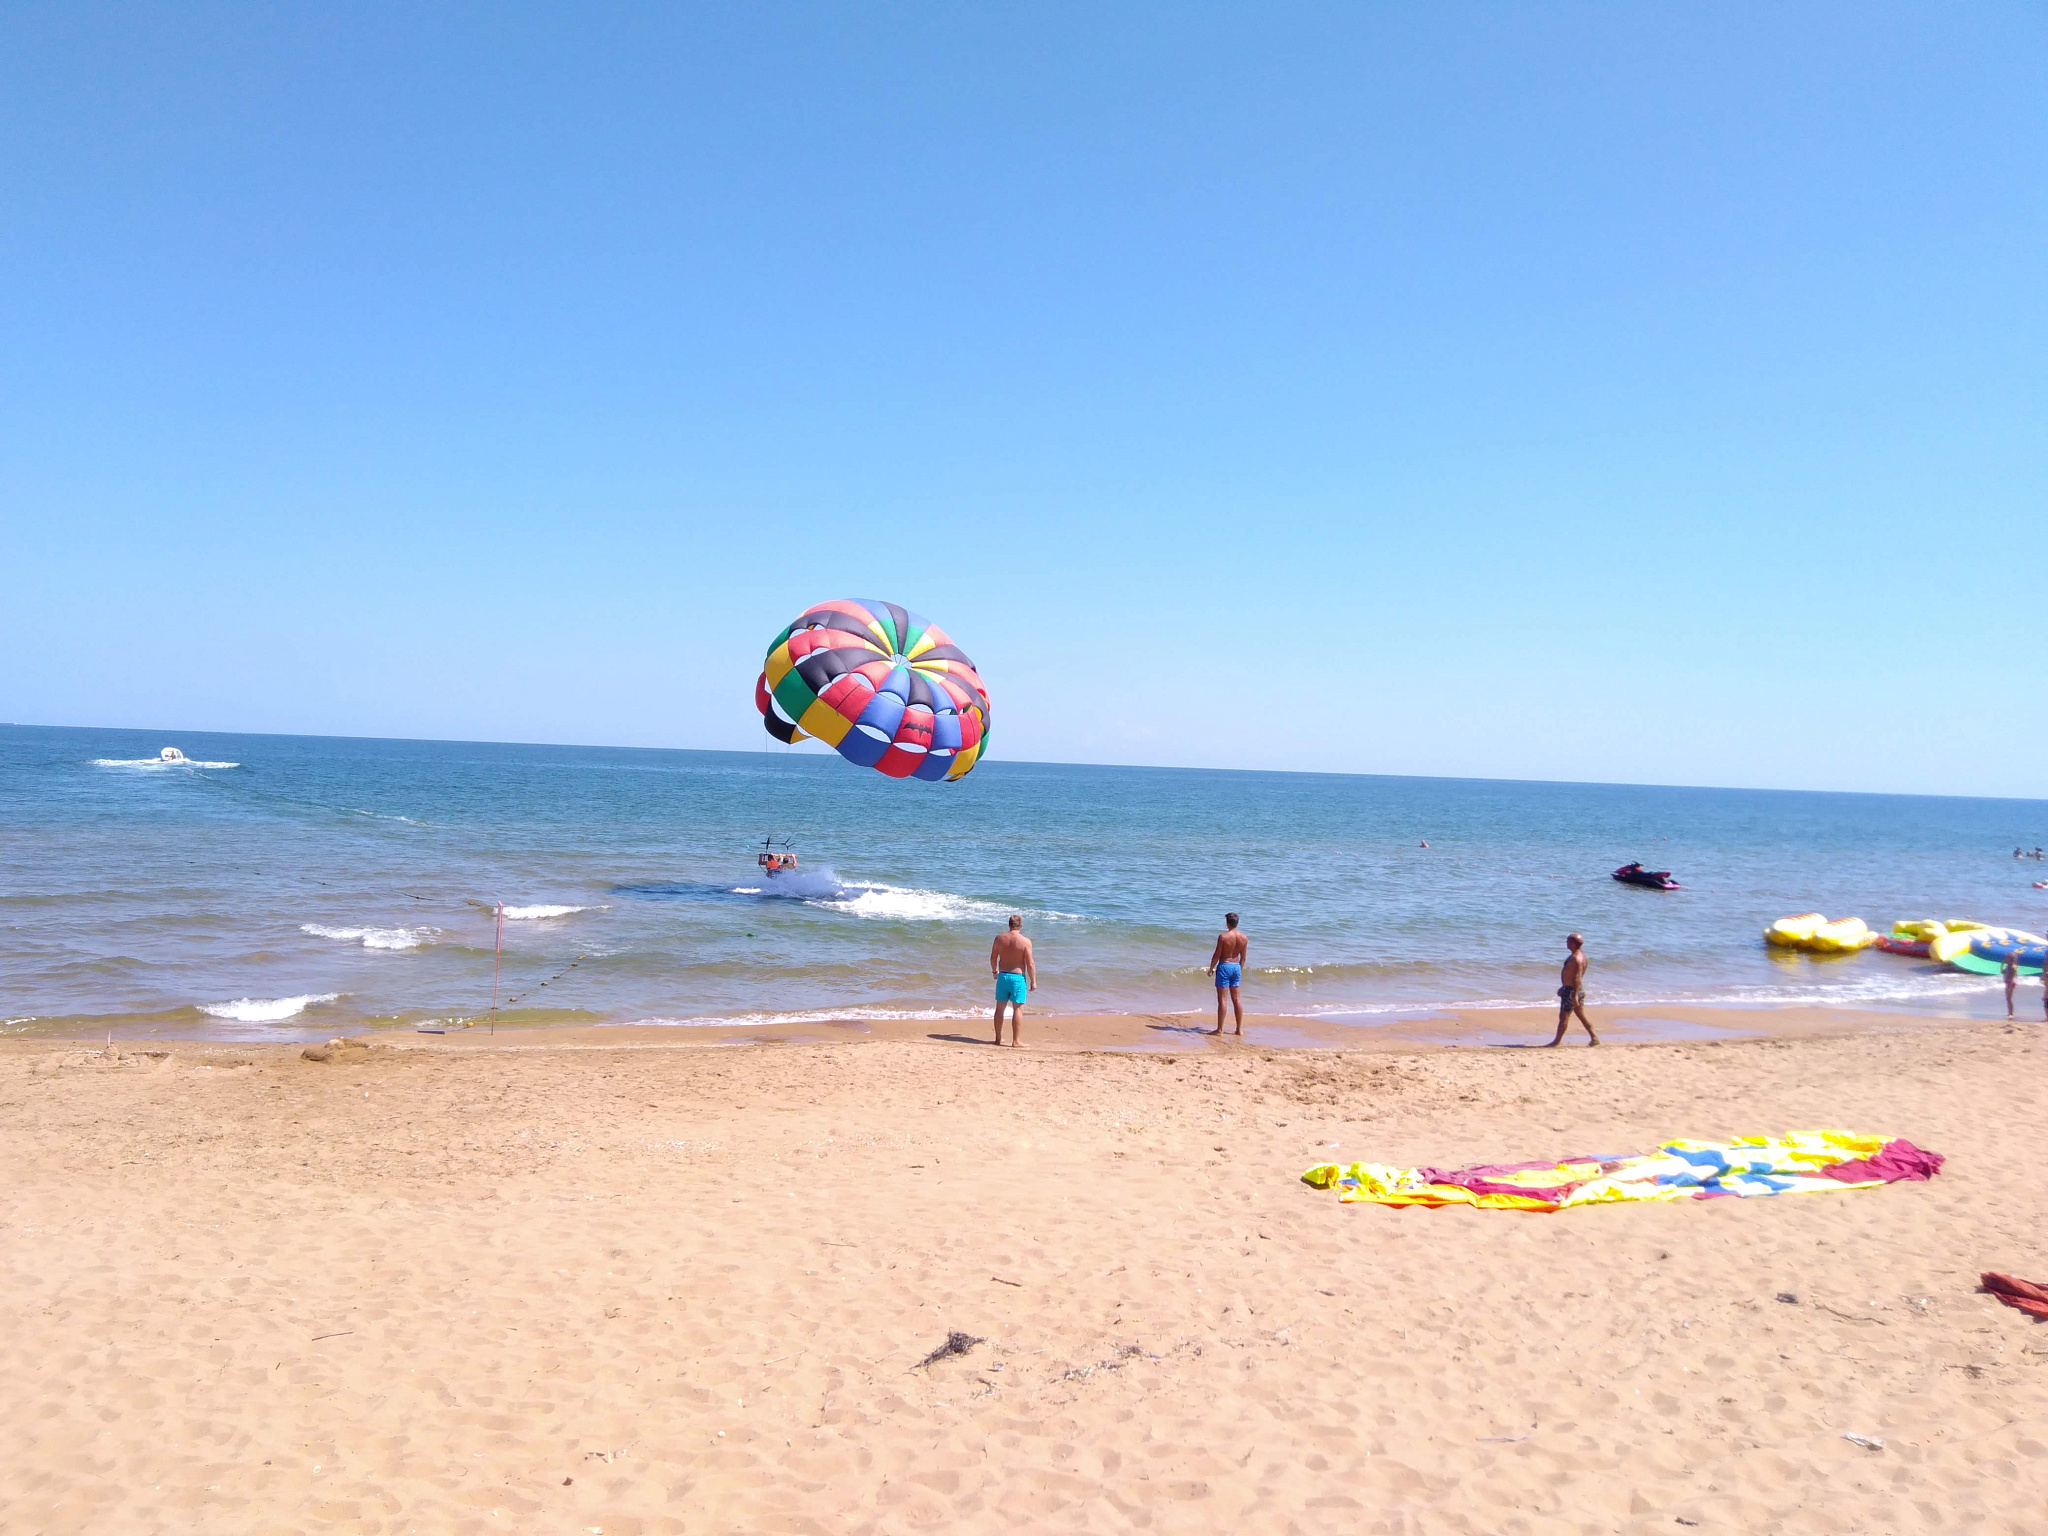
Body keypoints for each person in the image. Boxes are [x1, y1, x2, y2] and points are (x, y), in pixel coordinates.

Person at [990, 913, 1035, 1048]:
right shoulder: (1025, 941)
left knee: (1000, 1008)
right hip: (1017, 978)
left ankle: (998, 1039)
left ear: (1009, 924)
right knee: (1017, 1010)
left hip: (1003, 976)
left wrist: (994, 971)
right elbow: (1030, 964)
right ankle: (1015, 1041)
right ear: (1020, 925)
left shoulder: (999, 939)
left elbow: (993, 958)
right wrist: (1033, 980)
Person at [1546, 933, 1599, 1046]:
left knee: (1563, 1016)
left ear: (1573, 943)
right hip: (1573, 989)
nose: (1566, 943)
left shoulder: (1576, 958)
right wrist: (1563, 986)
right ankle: (1594, 1037)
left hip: (1572, 991)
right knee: (1580, 1015)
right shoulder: (1581, 956)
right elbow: (1571, 975)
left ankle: (1556, 1042)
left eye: (1568, 941)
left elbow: (1577, 977)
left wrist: (1574, 995)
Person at [1207, 912, 1249, 1035]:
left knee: (1223, 999)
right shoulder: (1244, 938)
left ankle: (1220, 1030)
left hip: (1225, 966)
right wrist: (1239, 970)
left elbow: (1217, 955)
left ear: (1227, 923)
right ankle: (1239, 1029)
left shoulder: (1223, 937)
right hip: (1236, 967)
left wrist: (1211, 968)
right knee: (1237, 999)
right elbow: (1243, 958)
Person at [2005, 950, 2021, 1019]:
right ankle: (2009, 1013)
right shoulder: (2008, 966)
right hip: (2008, 983)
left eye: (2007, 958)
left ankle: (2011, 1013)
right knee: (2008, 998)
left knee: (2009, 998)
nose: (2006, 959)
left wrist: (2011, 984)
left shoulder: (2013, 966)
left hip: (2011, 983)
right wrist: (2002, 964)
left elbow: (2014, 975)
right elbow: (2002, 971)